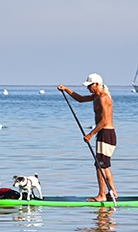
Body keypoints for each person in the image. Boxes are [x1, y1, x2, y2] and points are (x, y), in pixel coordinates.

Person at [57, 73, 118, 202]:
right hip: (103, 134)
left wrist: (90, 134)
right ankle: (112, 192)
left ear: (97, 84)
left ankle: (102, 195)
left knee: (100, 165)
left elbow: (105, 120)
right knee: (103, 165)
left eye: (89, 86)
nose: (88, 88)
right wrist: (66, 89)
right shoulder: (95, 96)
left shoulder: (103, 98)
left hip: (106, 134)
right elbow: (79, 99)